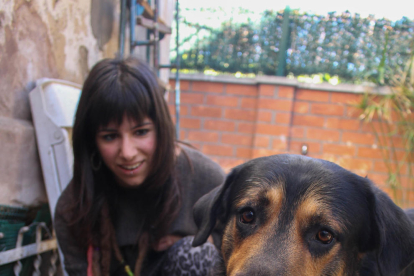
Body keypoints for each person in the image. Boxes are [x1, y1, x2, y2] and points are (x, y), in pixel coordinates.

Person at [54, 56, 226, 276]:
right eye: (110, 136)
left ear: (160, 129)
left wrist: (205, 239)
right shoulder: (74, 208)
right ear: (91, 142)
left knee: (195, 254)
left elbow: (246, 248)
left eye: (141, 132)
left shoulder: (204, 179)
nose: (127, 152)